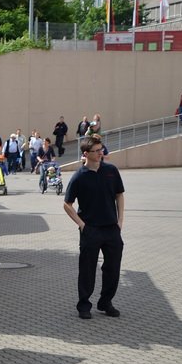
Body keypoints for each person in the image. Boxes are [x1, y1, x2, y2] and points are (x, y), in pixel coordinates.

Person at [63, 134, 125, 320]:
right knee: (87, 269)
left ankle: (105, 302)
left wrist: (120, 221)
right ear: (86, 154)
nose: (101, 153)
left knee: (113, 268)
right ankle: (84, 305)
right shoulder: (79, 176)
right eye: (97, 151)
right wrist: (82, 225)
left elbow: (119, 195)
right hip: (91, 230)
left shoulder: (111, 170)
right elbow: (67, 204)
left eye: (102, 149)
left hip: (112, 229)